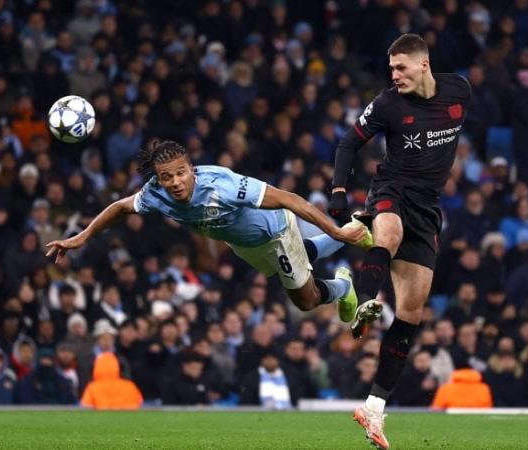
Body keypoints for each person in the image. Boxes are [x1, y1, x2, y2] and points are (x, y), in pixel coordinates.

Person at [47, 139, 372, 324]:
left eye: (180, 173)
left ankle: (344, 285)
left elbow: (289, 199)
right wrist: (81, 237)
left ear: (191, 169)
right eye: (166, 177)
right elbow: (119, 207)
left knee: (305, 300)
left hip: (276, 233)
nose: (175, 182)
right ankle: (355, 228)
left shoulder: (223, 185)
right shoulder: (154, 193)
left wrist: (335, 231)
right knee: (303, 258)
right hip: (242, 244)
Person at [328, 33, 471, 450]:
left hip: (427, 207)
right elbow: (348, 143)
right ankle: (365, 302)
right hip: (392, 187)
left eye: (401, 67)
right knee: (388, 234)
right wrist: (339, 193)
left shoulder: (459, 91)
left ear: (424, 64)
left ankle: (373, 408)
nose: (394, 75)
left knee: (411, 311)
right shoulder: (388, 103)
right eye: (391, 68)